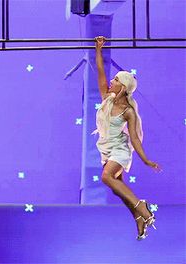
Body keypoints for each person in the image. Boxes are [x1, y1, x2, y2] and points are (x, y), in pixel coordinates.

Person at [92, 36, 162, 240]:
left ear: (122, 87)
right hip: (107, 148)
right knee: (118, 189)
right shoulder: (107, 98)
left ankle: (142, 207)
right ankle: (138, 219)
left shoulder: (128, 111)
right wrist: (98, 49)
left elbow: (135, 139)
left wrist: (146, 160)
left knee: (106, 177)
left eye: (115, 80)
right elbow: (100, 72)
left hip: (120, 151)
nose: (111, 82)